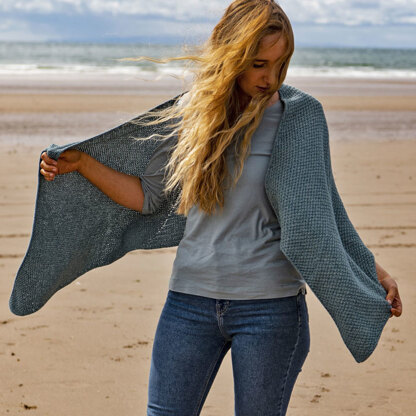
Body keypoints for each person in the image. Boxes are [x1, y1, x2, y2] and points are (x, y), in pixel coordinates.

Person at [38, 0, 402, 414]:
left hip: (271, 309)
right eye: (258, 64)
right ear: (231, 54)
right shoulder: (191, 113)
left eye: (280, 65)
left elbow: (324, 213)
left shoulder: (300, 117)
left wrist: (375, 273)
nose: (270, 78)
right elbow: (148, 197)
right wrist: (84, 165)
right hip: (188, 302)